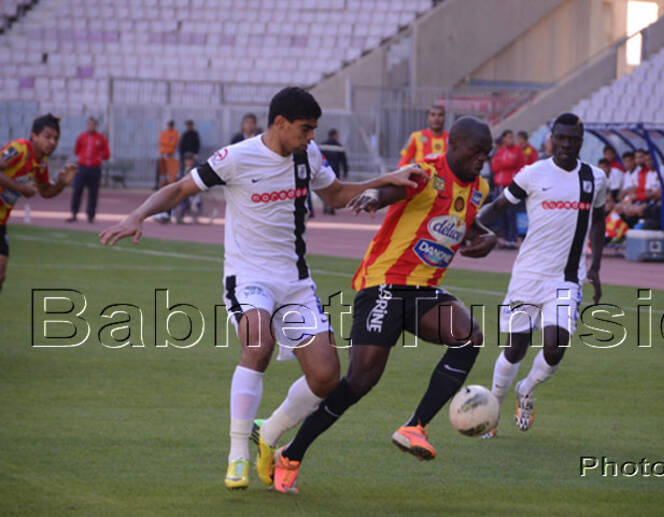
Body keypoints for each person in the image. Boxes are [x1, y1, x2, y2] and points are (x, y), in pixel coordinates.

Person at [99, 87, 426, 490]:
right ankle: (237, 454)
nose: (311, 137)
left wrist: (385, 179)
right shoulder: (236, 157)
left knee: (326, 377)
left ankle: (268, 433)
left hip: (295, 282)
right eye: (305, 129)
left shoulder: (309, 155)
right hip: (248, 277)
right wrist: (137, 214)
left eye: (314, 129)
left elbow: (337, 194)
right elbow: (181, 188)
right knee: (259, 344)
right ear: (280, 123)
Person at [261, 117, 496, 494]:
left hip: (423, 290)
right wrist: (373, 197)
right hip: (384, 283)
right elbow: (389, 193)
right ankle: (291, 454)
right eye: (475, 151)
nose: (481, 159)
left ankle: (415, 426)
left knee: (468, 337)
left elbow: (461, 219)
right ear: (454, 144)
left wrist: (487, 236)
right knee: (360, 381)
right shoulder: (426, 172)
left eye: (487, 153)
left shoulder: (479, 188)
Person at [477, 113, 607, 438]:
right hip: (528, 276)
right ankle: (492, 411)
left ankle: (526, 388)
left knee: (555, 348)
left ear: (581, 141)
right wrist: (467, 228)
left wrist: (595, 266)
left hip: (566, 278)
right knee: (515, 348)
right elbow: (499, 206)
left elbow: (599, 219)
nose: (566, 144)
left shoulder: (595, 178)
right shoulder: (533, 173)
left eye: (572, 139)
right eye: (560, 138)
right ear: (551, 139)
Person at [0, 114, 77, 290]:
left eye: (56, 138)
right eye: (47, 137)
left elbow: (45, 192)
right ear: (34, 135)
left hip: (1, 220)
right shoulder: (19, 148)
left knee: (1, 273)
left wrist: (61, 184)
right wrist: (21, 188)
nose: (52, 142)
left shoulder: (41, 163)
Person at [68, 116, 110, 223]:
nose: (91, 126)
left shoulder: (101, 138)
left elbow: (107, 154)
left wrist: (98, 157)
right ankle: (74, 213)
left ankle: (91, 215)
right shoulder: (81, 137)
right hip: (82, 168)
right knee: (77, 190)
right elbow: (77, 150)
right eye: (89, 124)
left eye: (93, 124)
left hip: (94, 169)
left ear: (96, 126)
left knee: (93, 193)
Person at [490, 130, 525, 248]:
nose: (512, 139)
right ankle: (504, 238)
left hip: (511, 186)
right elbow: (494, 167)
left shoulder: (517, 150)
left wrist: (503, 163)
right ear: (504, 139)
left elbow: (514, 163)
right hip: (500, 186)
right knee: (501, 213)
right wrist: (505, 163)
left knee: (511, 213)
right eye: (509, 137)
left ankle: (512, 239)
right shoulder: (500, 151)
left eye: (512, 137)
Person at [319, 128, 349, 214]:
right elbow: (343, 160)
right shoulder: (339, 146)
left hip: (324, 170)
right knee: (333, 190)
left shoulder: (323, 145)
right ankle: (331, 207)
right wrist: (345, 171)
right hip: (335, 171)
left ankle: (326, 206)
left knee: (325, 189)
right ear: (334, 135)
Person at [158, 120, 179, 187]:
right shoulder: (164, 133)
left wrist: (166, 143)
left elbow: (174, 143)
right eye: (169, 125)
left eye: (171, 125)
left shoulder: (175, 133)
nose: (170, 126)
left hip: (170, 154)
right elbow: (161, 141)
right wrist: (169, 142)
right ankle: (160, 183)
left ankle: (170, 184)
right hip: (163, 154)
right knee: (162, 170)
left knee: (170, 170)